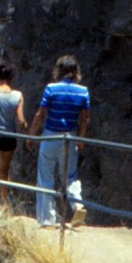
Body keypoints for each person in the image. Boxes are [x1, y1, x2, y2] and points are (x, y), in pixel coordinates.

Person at [31, 54, 91, 229]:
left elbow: (40, 114)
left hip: (51, 135)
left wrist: (32, 134)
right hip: (71, 136)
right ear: (76, 72)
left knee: (45, 176)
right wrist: (81, 138)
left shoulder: (51, 89)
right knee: (70, 176)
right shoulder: (83, 91)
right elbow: (85, 118)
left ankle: (48, 219)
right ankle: (78, 206)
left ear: (59, 70)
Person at [0, 61, 26, 215]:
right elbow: (20, 120)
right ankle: (5, 205)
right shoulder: (17, 96)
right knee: (4, 171)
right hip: (9, 136)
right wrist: (25, 126)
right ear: (12, 77)